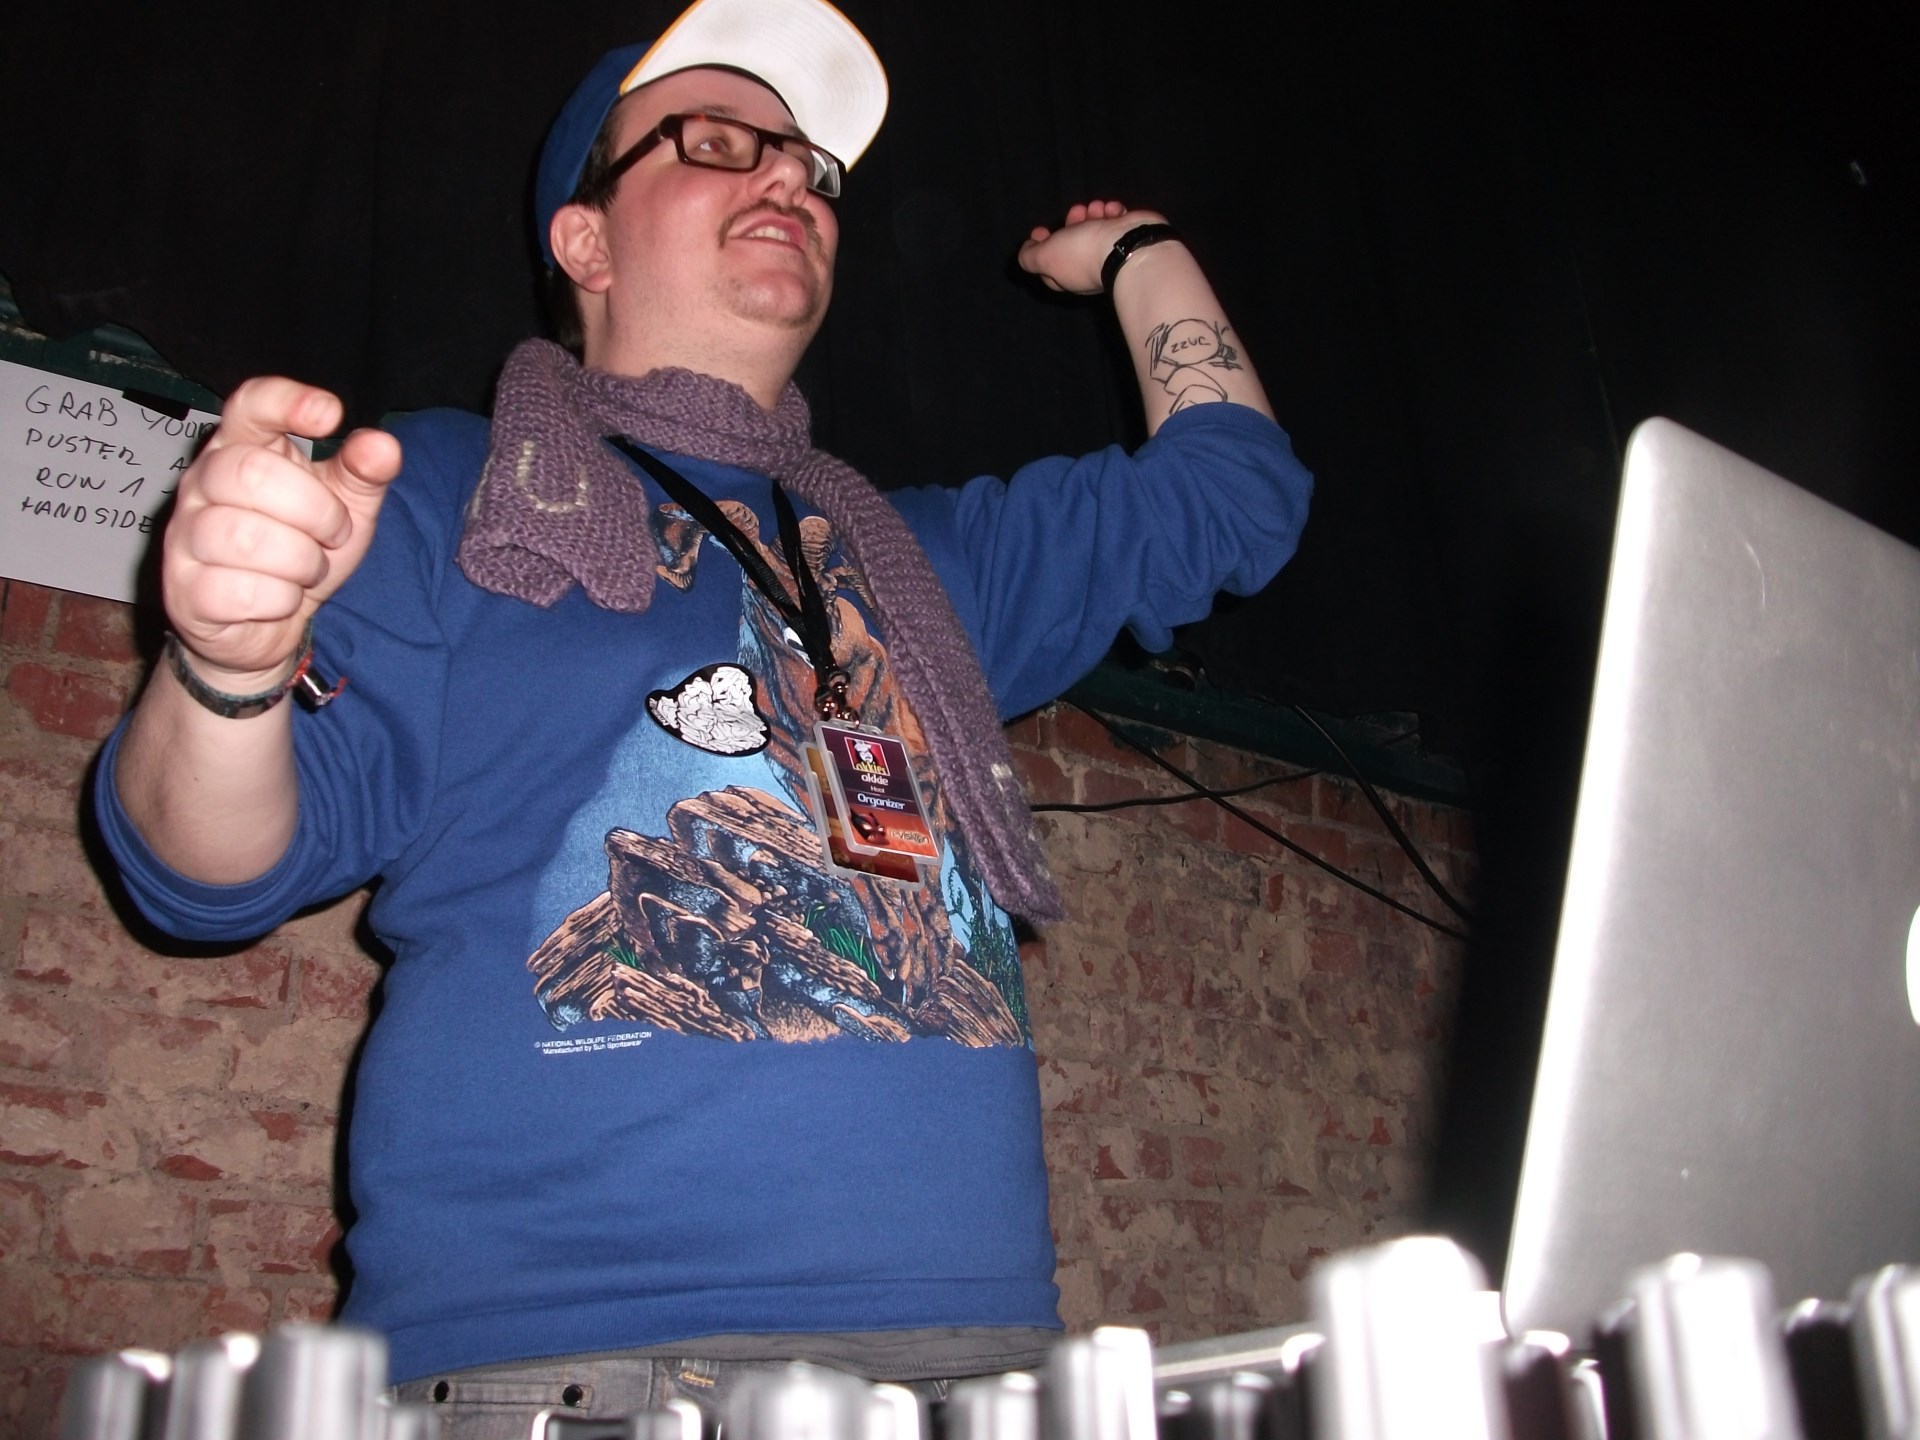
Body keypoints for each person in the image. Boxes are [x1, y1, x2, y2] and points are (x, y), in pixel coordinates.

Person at [92, 0, 1314, 1432]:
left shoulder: (929, 563)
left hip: (976, 1364)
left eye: (809, 164)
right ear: (586, 240)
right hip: (570, 1368)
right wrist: (226, 661)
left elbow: (1238, 494)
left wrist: (1138, 252)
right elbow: (202, 873)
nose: (790, 174)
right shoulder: (435, 489)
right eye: (718, 141)